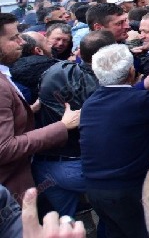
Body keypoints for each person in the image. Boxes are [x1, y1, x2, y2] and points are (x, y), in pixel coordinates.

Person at [80, 43, 149, 238]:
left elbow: (124, 98)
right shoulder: (140, 101)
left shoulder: (90, 104)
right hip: (128, 190)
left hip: (95, 189)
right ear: (132, 72)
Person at [32, 30, 115, 217]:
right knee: (114, 215)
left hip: (44, 167)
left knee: (66, 224)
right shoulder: (104, 87)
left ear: (79, 52)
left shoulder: (53, 71)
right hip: (77, 166)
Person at [0, 13, 80, 204]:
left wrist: (28, 109)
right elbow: (3, 148)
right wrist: (62, 126)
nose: (21, 42)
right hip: (11, 191)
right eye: (13, 38)